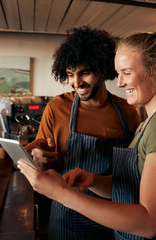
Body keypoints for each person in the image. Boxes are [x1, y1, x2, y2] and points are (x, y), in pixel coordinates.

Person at [19, 25, 156, 240]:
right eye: (119, 73)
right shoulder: (149, 123)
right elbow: (131, 187)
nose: (120, 83)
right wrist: (93, 180)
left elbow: (149, 222)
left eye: (126, 73)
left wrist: (62, 193)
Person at [24, 26, 140, 240]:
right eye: (70, 75)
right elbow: (44, 171)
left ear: (101, 68)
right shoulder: (56, 109)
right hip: (65, 222)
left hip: (113, 221)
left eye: (84, 72)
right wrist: (39, 161)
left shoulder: (128, 112)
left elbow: (134, 174)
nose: (76, 82)